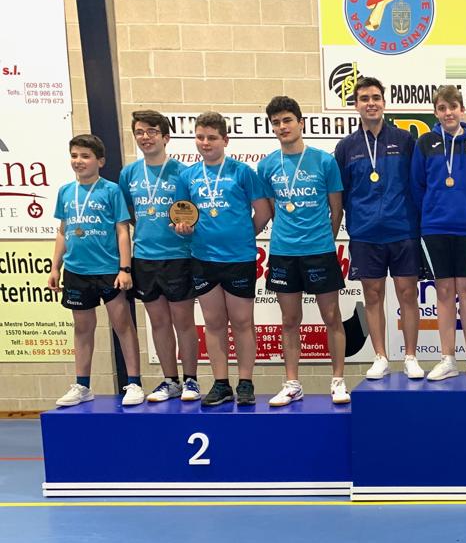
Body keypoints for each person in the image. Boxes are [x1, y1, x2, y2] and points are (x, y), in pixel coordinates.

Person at [174, 112, 273, 406]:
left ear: (225, 140)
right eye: (200, 137)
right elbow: (180, 215)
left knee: (242, 322)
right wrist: (182, 228)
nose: (205, 143)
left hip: (239, 259)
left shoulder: (242, 172)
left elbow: (263, 212)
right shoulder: (187, 176)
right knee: (214, 322)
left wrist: (242, 236)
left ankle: (245, 383)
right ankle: (220, 384)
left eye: (212, 138)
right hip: (203, 258)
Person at [257, 96, 350, 406]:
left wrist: (324, 240)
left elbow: (336, 209)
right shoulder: (267, 165)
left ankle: (338, 381)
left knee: (332, 316)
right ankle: (292, 383)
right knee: (289, 320)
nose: (282, 127)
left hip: (319, 251)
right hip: (284, 252)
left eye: (287, 120)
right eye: (276, 122)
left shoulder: (324, 161)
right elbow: (272, 209)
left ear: (300, 123)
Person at [335, 77, 423, 380]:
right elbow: (341, 193)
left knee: (408, 294)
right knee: (372, 296)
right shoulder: (346, 147)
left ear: (384, 103)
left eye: (375, 97)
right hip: (365, 233)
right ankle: (381, 356)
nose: (370, 103)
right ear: (356, 105)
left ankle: (410, 356)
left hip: (403, 229)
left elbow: (417, 183)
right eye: (364, 98)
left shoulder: (405, 140)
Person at [48, 135, 144, 407]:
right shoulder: (66, 191)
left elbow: (122, 230)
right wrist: (55, 267)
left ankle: (134, 383)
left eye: (85, 156)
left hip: (108, 270)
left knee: (122, 324)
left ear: (100, 161)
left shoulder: (111, 191)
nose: (79, 161)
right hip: (76, 271)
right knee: (82, 328)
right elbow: (63, 231)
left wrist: (124, 268)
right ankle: (82, 385)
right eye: (74, 155)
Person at [411, 85, 466, 381]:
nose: (448, 113)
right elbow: (417, 187)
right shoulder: (425, 143)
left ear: (462, 109)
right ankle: (447, 359)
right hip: (435, 227)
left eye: (453, 107)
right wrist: (432, 212)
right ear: (436, 112)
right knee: (444, 292)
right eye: (442, 108)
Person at [119, 110, 200, 403]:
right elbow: (128, 214)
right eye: (140, 132)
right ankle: (170, 381)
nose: (145, 137)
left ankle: (191, 380)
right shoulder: (128, 173)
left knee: (183, 322)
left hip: (178, 256)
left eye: (152, 131)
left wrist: (186, 228)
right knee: (158, 322)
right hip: (144, 258)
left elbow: (193, 214)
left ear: (165, 137)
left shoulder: (183, 172)